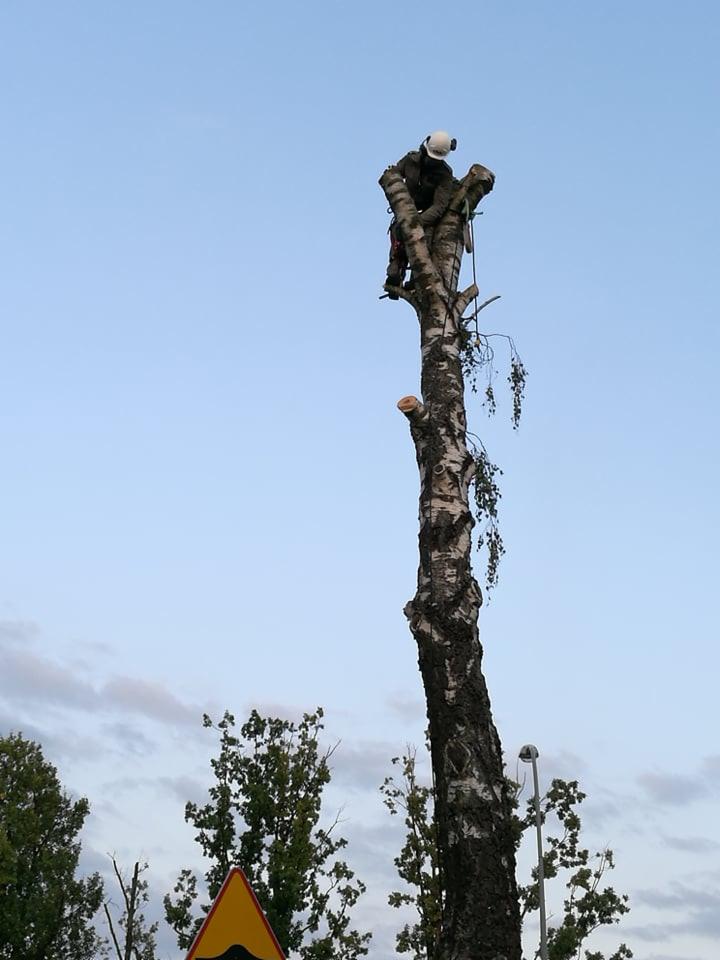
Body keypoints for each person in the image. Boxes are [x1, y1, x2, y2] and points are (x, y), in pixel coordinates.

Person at [385, 131, 457, 296]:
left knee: (425, 240)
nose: (432, 162)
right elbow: (394, 175)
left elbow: (439, 206)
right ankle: (396, 268)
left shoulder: (444, 175)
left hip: (427, 214)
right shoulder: (411, 160)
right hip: (406, 207)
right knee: (398, 231)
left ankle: (416, 279)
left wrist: (417, 221)